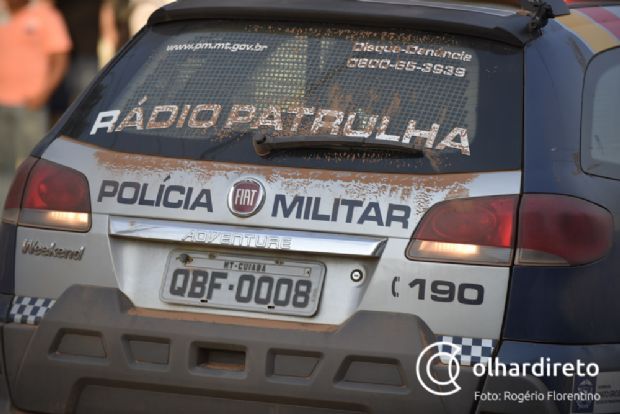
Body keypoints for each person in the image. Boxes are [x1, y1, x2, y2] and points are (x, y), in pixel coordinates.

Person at [0, 0, 72, 178]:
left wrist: (44, 92)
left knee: (32, 168)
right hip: (2, 102)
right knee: (3, 168)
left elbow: (60, 59)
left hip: (31, 103)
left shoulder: (46, 15)